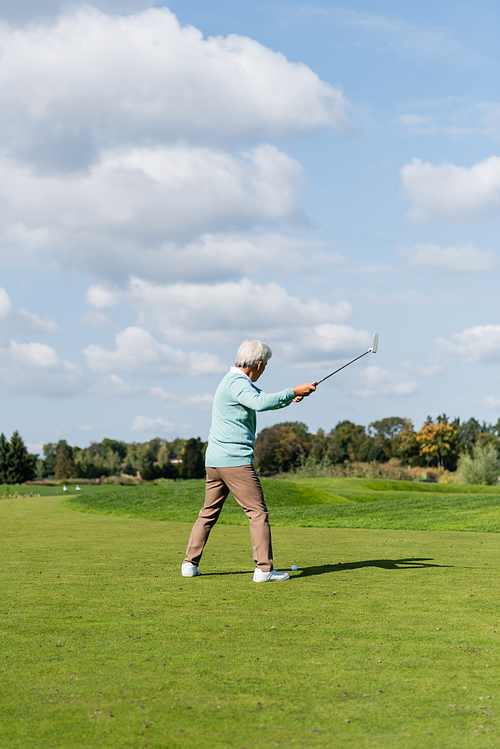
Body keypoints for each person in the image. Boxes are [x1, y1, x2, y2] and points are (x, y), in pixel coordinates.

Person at [182, 339, 316, 583]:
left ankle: (189, 564)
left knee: (208, 512)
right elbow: (259, 403)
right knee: (257, 512)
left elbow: (262, 399)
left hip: (215, 461)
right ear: (260, 364)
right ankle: (264, 569)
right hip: (234, 461)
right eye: (266, 366)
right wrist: (293, 391)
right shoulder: (238, 383)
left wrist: (290, 398)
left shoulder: (232, 381)